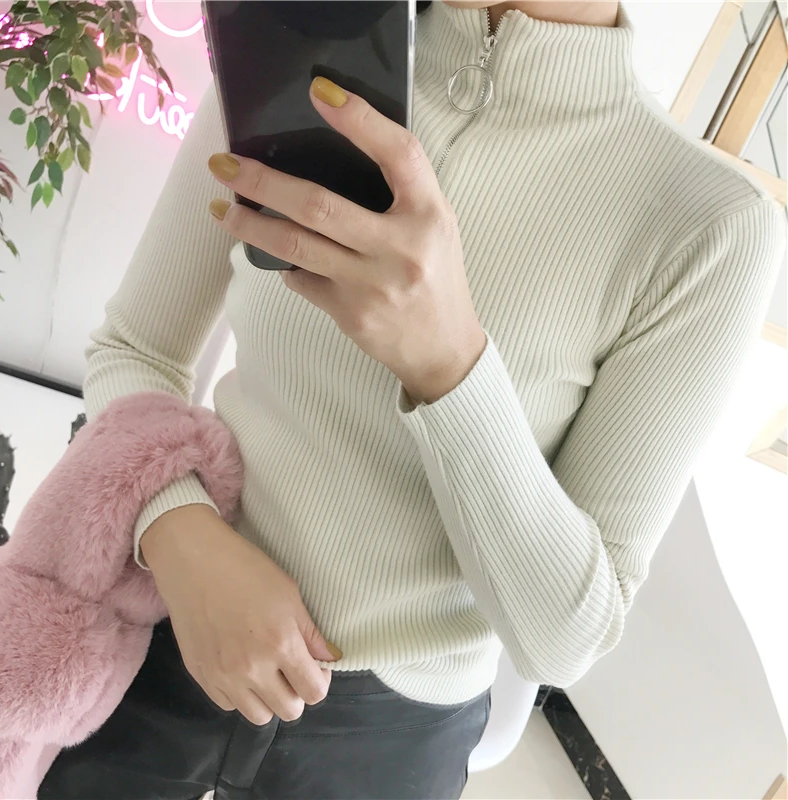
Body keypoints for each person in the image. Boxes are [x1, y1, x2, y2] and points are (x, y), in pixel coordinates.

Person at [39, 1, 785, 798]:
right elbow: (136, 350)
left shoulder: (709, 224)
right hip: (172, 621)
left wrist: (449, 361)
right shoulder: (293, 58)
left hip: (390, 743)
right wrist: (177, 530)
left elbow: (564, 639)